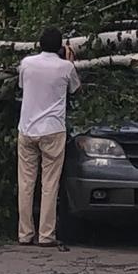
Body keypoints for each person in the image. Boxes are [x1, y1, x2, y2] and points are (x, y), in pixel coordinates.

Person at [16, 27, 82, 247]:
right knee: (49, 183)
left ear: (39, 44)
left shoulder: (26, 63)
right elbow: (75, 89)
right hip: (53, 129)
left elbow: (21, 86)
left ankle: (24, 233)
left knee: (26, 183)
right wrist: (71, 61)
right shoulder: (65, 68)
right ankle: (46, 234)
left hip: (27, 128)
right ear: (60, 47)